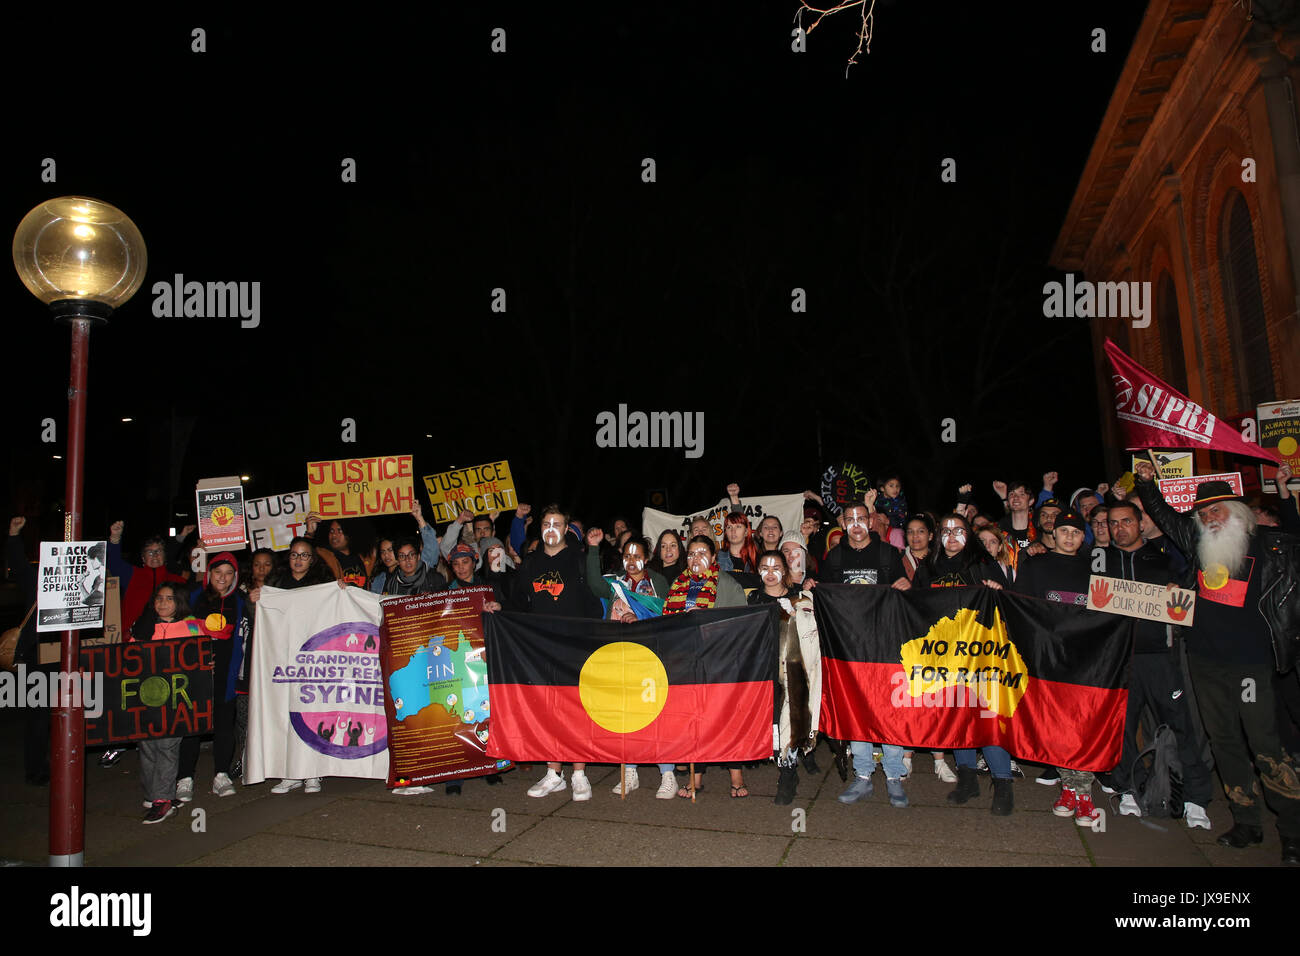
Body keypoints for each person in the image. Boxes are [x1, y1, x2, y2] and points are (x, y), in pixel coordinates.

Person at [1134, 459, 1300, 864]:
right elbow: (1165, 517)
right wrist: (1146, 484)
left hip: (1252, 664)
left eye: (1217, 510)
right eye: (1203, 513)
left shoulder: (1271, 545)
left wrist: (1286, 496)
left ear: (1239, 513)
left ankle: (1292, 830)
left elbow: (1298, 536)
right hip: (1206, 662)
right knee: (1224, 741)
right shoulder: (1198, 546)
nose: (1209, 518)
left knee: (1264, 744)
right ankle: (1245, 820)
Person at [1101, 500, 1213, 828]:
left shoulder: (1163, 560)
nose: (1119, 528)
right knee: (1121, 728)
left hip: (1160, 658)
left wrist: (1179, 592)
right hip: (1119, 660)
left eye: (1126, 521)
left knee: (1180, 727)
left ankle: (1195, 798)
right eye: (1113, 523)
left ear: (1140, 524)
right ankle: (1126, 790)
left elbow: (1188, 598)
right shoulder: (1101, 561)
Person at [1010, 510, 1101, 824]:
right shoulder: (1036, 566)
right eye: (1064, 531)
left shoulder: (1095, 568)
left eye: (1076, 533)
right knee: (1058, 728)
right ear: (1054, 533)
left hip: (1086, 660)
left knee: (1083, 727)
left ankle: (1085, 795)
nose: (1069, 537)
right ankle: (1068, 787)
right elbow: (1020, 607)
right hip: (1048, 660)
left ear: (1082, 537)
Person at [822, 499, 912, 810]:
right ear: (843, 523)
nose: (857, 523)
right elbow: (825, 598)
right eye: (851, 519)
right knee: (857, 709)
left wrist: (906, 585)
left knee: (889, 711)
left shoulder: (889, 554)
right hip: (851, 648)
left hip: (886, 645)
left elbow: (907, 594)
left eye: (862, 517)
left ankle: (894, 776)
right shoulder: (834, 557)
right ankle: (862, 774)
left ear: (871, 522)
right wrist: (812, 587)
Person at [511, 505, 604, 801]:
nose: (551, 528)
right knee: (548, 710)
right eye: (546, 523)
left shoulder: (578, 560)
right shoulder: (529, 563)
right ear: (540, 528)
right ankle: (554, 772)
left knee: (576, 710)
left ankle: (579, 774)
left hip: (574, 647)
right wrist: (498, 609)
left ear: (566, 529)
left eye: (557, 524)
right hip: (541, 647)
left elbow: (595, 601)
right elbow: (518, 604)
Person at [663, 534, 748, 796]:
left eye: (701, 553)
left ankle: (736, 777)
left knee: (726, 719)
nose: (695, 558)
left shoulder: (727, 584)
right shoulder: (679, 584)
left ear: (713, 557)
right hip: (688, 662)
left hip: (719, 661)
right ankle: (695, 777)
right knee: (694, 721)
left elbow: (739, 624)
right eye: (690, 554)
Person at [177, 553, 249, 803]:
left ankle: (221, 774)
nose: (223, 578)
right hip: (194, 673)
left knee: (223, 725)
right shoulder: (193, 595)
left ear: (235, 576)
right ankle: (184, 777)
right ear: (209, 574)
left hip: (226, 672)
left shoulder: (240, 600)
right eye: (218, 572)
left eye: (229, 573)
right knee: (191, 726)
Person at [134, 583, 203, 823]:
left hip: (176, 699)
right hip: (147, 697)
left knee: (166, 747)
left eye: (169, 599)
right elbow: (129, 655)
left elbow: (203, 652)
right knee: (147, 746)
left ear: (180, 602)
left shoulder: (192, 624)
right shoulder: (144, 625)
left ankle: (163, 800)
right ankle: (154, 793)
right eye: (159, 598)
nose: (163, 603)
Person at [381, 537, 446, 595]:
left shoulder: (434, 579)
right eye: (402, 556)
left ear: (418, 557)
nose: (407, 560)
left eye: (411, 554)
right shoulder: (392, 583)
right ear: (397, 561)